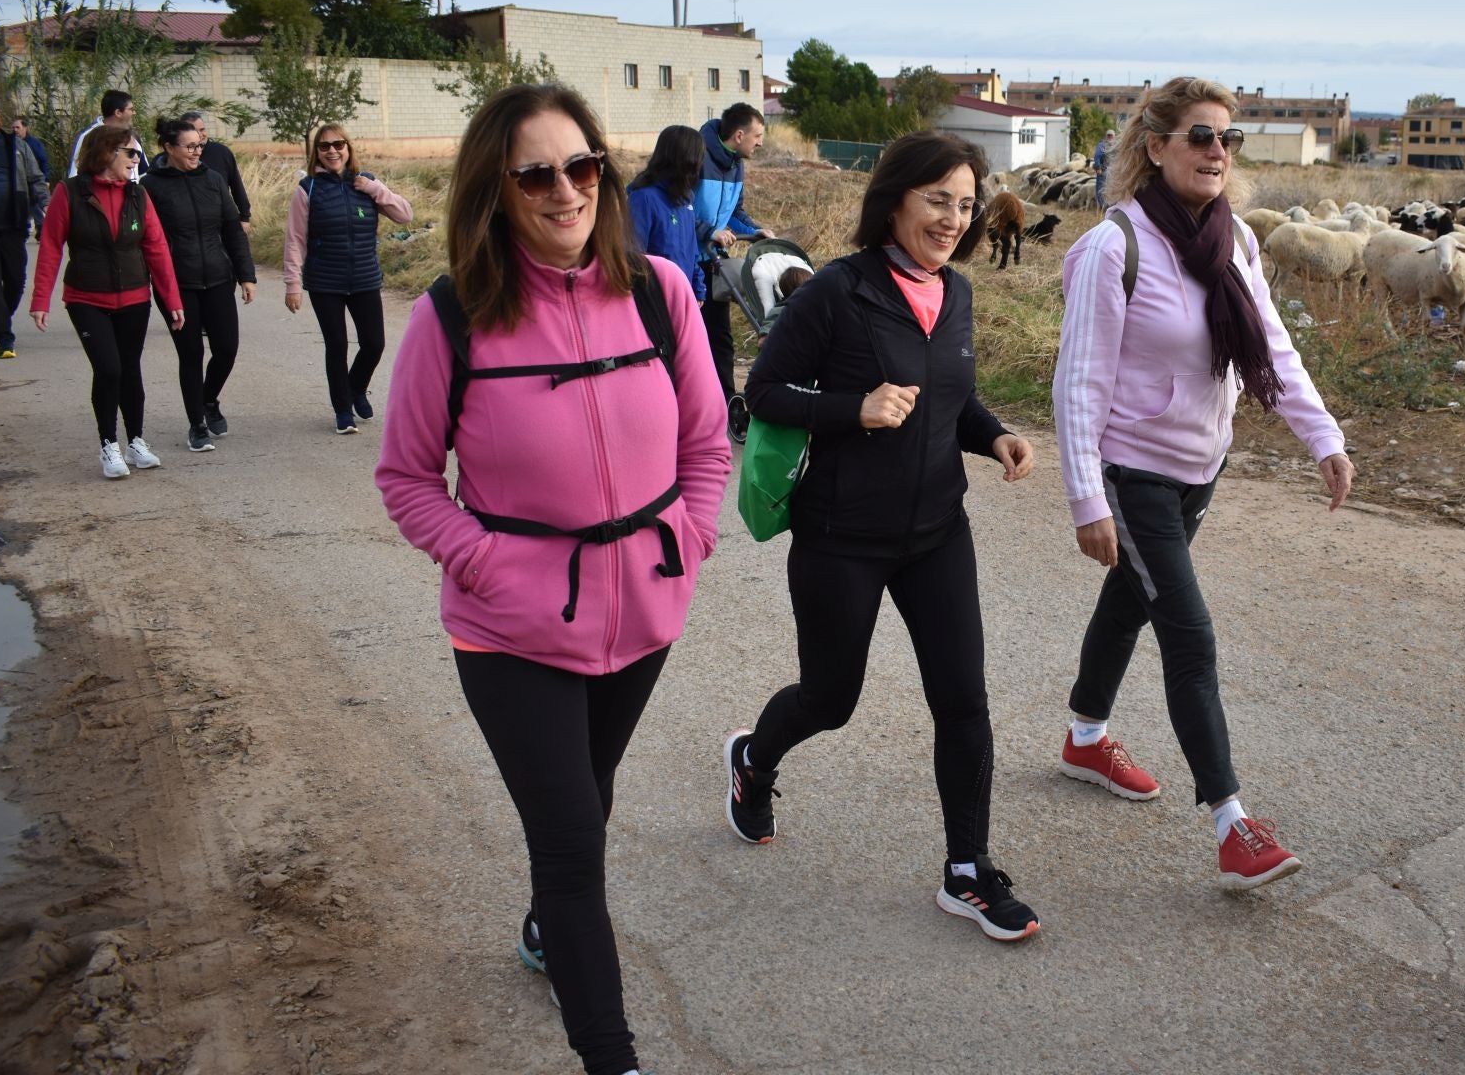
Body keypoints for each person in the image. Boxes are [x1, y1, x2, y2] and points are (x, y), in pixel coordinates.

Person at [376, 83, 728, 1075]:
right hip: (511, 631)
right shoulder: (455, 314)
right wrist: (486, 562)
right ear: (496, 187)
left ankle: (545, 928)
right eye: (535, 174)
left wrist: (691, 537)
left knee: (588, 792)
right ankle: (613, 1056)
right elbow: (407, 479)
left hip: (643, 612)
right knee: (572, 841)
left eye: (581, 166)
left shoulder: (661, 291)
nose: (565, 190)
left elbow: (708, 441)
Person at [724, 130, 1043, 943]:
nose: (953, 219)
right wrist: (852, 408)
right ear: (895, 200)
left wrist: (995, 435)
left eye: (965, 205)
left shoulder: (957, 292)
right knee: (830, 701)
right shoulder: (837, 290)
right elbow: (764, 392)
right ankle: (754, 760)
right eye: (937, 200)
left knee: (963, 700)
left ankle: (967, 870)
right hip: (842, 535)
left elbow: (950, 397)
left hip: (937, 531)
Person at [1053, 77, 1354, 890]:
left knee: (1129, 601)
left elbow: (1273, 348)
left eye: (1228, 138)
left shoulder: (1236, 241)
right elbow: (1079, 382)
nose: (1218, 151)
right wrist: (1087, 499)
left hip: (1199, 466)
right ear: (1156, 147)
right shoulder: (1114, 247)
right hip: (1133, 472)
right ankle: (1232, 824)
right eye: (1200, 136)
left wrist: (1322, 437)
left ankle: (1085, 740)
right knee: (1189, 635)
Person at [29, 125, 184, 479]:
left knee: (130, 369)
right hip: (86, 297)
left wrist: (171, 298)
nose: (137, 159)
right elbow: (51, 246)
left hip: (134, 296)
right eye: (131, 152)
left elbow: (157, 248)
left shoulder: (138, 195)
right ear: (106, 152)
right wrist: (41, 299)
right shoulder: (69, 193)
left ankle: (136, 442)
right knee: (109, 369)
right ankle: (108, 444)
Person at [282, 124, 413, 433]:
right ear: (317, 152)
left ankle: (355, 388)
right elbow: (295, 239)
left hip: (364, 277)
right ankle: (343, 410)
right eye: (325, 146)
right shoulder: (308, 189)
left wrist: (374, 189)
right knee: (337, 345)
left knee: (374, 343)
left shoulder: (366, 182)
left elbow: (405, 215)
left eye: (338, 144)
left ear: (348, 148)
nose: (332, 151)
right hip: (325, 280)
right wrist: (292, 284)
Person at [147, 117, 255, 452]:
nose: (197, 152)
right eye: (190, 146)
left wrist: (246, 275)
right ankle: (196, 424)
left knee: (227, 349)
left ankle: (208, 399)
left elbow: (232, 230)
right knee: (190, 354)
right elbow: (147, 240)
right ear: (169, 148)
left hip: (219, 277)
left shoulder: (213, 180)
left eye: (200, 145)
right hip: (177, 284)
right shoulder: (150, 186)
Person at [693, 102, 775, 409]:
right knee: (690, 338)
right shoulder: (697, 158)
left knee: (720, 337)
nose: (760, 143)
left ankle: (725, 403)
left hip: (714, 262)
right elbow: (681, 208)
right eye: (758, 136)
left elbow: (735, 212)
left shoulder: (737, 164)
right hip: (687, 261)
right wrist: (708, 231)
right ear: (739, 135)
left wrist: (756, 230)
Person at [0, 96, 48, 358]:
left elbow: (35, 178)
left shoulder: (16, 145)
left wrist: (46, 204)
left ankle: (1, 316)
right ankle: (4, 336)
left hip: (13, 225)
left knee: (16, 280)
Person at [626, 124, 705, 299]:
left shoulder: (686, 199)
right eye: (698, 157)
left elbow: (691, 250)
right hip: (656, 299)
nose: (700, 164)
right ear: (686, 160)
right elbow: (633, 257)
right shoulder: (644, 199)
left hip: (684, 295)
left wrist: (697, 286)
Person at [178, 110, 252, 234]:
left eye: (202, 129)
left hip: (223, 223)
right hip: (189, 227)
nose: (200, 134)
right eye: (195, 131)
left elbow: (236, 185)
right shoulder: (176, 158)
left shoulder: (222, 152)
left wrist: (245, 217)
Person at [68, 90, 148, 180]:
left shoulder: (133, 137)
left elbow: (143, 173)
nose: (134, 113)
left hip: (130, 189)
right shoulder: (89, 136)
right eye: (131, 109)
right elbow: (75, 174)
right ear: (118, 112)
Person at [11, 117, 51, 237]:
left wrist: (46, 178)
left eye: (17, 127)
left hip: (33, 179)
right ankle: (38, 227)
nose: (15, 130)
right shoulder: (12, 144)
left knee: (33, 204)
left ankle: (41, 227)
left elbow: (43, 160)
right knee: (31, 205)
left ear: (25, 128)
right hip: (21, 183)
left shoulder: (33, 143)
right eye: (13, 127)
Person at [1093, 127, 1117, 208]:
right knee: (1104, 189)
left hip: (1111, 172)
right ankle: (1105, 207)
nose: (1110, 137)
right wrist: (1098, 168)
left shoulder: (1104, 145)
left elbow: (1097, 156)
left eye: (1111, 136)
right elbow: (1097, 156)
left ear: (1114, 136)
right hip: (1106, 171)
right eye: (1109, 135)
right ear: (1106, 136)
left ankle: (1107, 207)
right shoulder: (1105, 145)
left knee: (1104, 189)